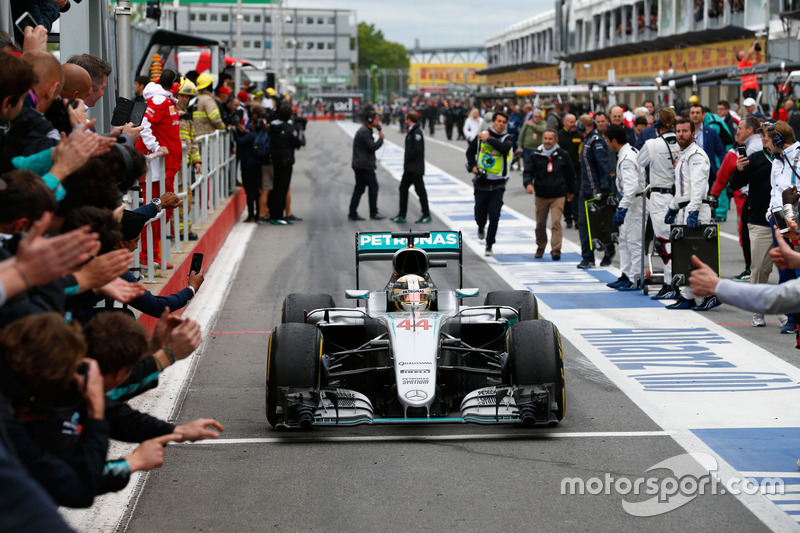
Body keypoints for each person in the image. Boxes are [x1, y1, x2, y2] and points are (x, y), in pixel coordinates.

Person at [664, 118, 720, 310]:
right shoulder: (684, 155)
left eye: (684, 131)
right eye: (678, 131)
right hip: (685, 207)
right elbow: (682, 189)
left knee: (699, 256)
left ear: (693, 133)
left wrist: (693, 211)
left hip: (696, 208)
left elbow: (697, 187)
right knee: (685, 256)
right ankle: (687, 296)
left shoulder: (696, 155)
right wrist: (673, 206)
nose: (680, 135)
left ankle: (711, 295)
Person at [727, 117, 774, 326]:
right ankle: (758, 309)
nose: (767, 139)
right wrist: (738, 170)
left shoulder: (791, 159)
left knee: (790, 267)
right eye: (764, 135)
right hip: (760, 220)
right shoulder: (755, 159)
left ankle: (790, 315)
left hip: (788, 222)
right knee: (760, 268)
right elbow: (735, 184)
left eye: (771, 135)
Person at [135, 70, 182, 269]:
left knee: (163, 212)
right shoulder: (159, 101)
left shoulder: (166, 101)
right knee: (155, 212)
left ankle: (153, 254)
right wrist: (155, 147)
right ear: (174, 85)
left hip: (166, 170)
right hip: (157, 171)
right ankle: (148, 256)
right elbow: (144, 124)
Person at [522, 128, 575, 261]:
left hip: (558, 195)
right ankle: (541, 246)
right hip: (541, 195)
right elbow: (528, 171)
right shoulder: (536, 154)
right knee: (540, 224)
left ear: (556, 140)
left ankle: (556, 249)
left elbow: (570, 174)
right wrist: (528, 183)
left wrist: (571, 191)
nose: (547, 141)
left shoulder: (563, 154)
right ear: (542, 139)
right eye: (545, 138)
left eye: (550, 139)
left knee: (556, 222)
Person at [466, 110, 513, 256]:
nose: (501, 124)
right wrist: (473, 165)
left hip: (499, 183)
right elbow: (469, 152)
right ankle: (480, 226)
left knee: (494, 215)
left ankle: (489, 244)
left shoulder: (508, 138)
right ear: (493, 122)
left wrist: (489, 139)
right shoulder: (481, 136)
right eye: (498, 121)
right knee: (480, 213)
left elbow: (504, 149)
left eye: (503, 122)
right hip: (482, 182)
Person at [606, 124, 644, 290]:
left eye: (607, 140)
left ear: (614, 141)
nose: (607, 144)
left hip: (635, 203)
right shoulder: (628, 152)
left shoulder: (627, 158)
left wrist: (622, 208)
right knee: (624, 240)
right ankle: (626, 274)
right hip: (631, 201)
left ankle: (636, 278)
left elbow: (631, 188)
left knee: (634, 241)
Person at [575, 115, 614, 269]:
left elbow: (603, 166)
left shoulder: (596, 141)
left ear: (583, 126)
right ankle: (587, 257)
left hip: (595, 189)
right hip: (585, 187)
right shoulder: (587, 140)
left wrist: (604, 188)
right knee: (583, 224)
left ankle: (608, 252)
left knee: (600, 225)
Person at [391, 110, 430, 224]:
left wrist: (408, 157)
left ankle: (426, 214)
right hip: (409, 168)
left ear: (409, 119)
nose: (404, 120)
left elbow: (417, 150)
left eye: (406, 118)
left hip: (415, 168)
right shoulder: (411, 131)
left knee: (420, 191)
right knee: (403, 188)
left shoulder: (417, 132)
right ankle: (402, 214)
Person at [268, 104, 304, 224]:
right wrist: (300, 131)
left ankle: (273, 213)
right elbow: (298, 143)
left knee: (275, 186)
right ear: (289, 115)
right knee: (282, 188)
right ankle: (278, 216)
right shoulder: (289, 128)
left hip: (274, 159)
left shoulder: (272, 126)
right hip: (286, 160)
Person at [348, 109, 385, 221]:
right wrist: (381, 139)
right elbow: (372, 146)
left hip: (360, 164)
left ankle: (352, 212)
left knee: (359, 189)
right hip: (364, 165)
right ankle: (373, 212)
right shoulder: (364, 132)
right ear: (370, 120)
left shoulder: (367, 130)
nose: (378, 122)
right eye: (376, 120)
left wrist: (378, 129)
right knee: (373, 187)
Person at [558, 113, 582, 229]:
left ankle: (577, 218)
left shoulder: (579, 135)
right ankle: (568, 218)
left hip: (576, 169)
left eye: (574, 122)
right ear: (564, 123)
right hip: (562, 170)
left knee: (576, 193)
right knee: (564, 194)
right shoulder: (559, 136)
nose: (573, 124)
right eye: (571, 122)